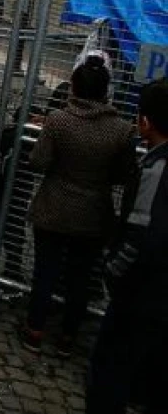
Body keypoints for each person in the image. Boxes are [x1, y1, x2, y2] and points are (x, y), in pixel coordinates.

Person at [19, 56, 136, 355]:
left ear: (74, 87)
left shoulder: (59, 120)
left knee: (45, 271)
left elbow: (39, 161)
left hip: (54, 207)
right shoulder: (122, 130)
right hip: (94, 213)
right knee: (80, 278)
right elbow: (124, 174)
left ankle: (34, 329)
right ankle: (68, 338)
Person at [86, 79, 168, 414]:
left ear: (145, 122)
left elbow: (140, 234)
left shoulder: (156, 169)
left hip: (142, 292)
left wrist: (112, 270)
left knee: (110, 367)